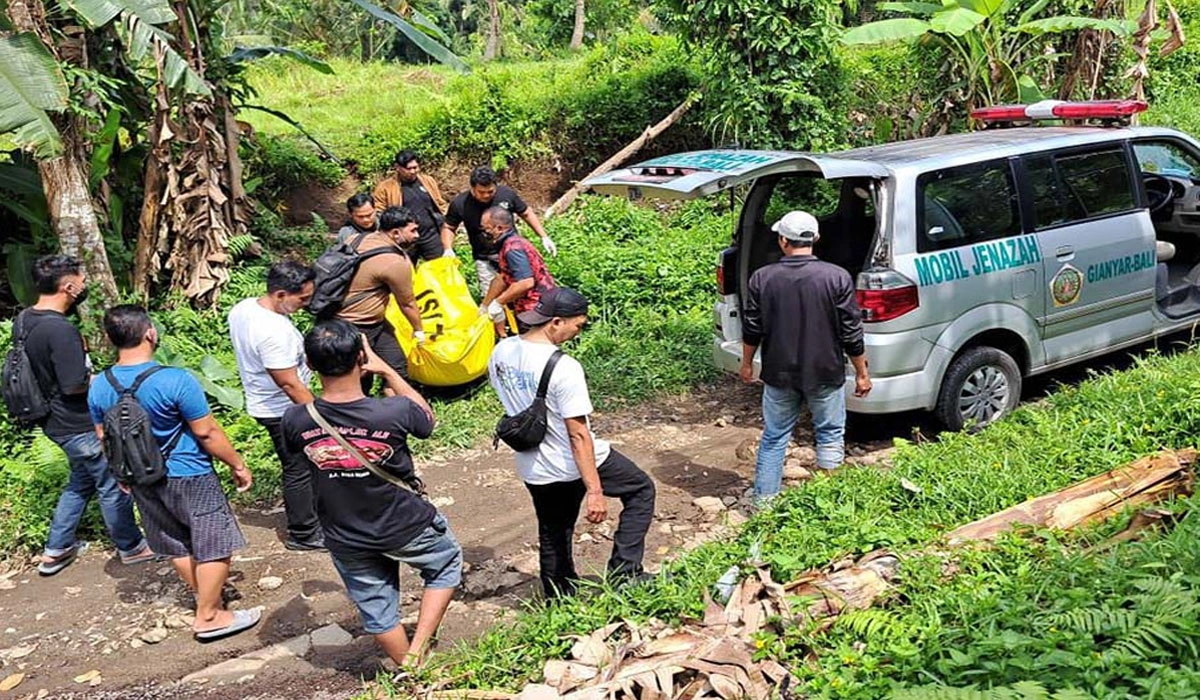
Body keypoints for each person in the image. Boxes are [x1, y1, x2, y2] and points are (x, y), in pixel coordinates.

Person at [282, 320, 461, 666]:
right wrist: (389, 372)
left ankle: (411, 668)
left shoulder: (295, 419)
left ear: (309, 364)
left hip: (345, 531)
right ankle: (418, 648)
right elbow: (427, 420)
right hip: (406, 524)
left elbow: (301, 466)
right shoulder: (393, 410)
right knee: (445, 564)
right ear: (361, 357)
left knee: (378, 610)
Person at [88, 305, 261, 641]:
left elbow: (102, 436)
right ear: (150, 333)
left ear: (110, 339)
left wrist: (122, 474)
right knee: (214, 541)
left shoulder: (99, 385)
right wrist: (237, 464)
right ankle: (209, 615)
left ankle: (206, 597)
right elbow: (207, 432)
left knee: (175, 541)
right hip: (189, 471)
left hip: (140, 476)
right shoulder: (175, 379)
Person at [488, 288, 655, 598]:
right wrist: (594, 490)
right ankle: (624, 573)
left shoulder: (502, 351)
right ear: (555, 322)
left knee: (554, 532)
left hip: (533, 465)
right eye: (577, 325)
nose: (578, 332)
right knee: (641, 489)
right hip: (570, 461)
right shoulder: (563, 367)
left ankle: (558, 597)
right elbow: (578, 436)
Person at [19, 255, 154, 576]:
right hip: (76, 422)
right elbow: (73, 384)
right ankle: (131, 546)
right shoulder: (60, 330)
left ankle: (57, 549)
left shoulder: (26, 319)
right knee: (111, 482)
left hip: (53, 420)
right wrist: (109, 380)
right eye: (81, 280)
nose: (85, 285)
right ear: (68, 286)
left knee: (81, 482)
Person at [738, 211, 872, 502]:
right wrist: (862, 372)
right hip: (825, 370)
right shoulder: (836, 277)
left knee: (774, 437)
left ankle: (764, 503)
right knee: (830, 433)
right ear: (816, 239)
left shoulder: (762, 277)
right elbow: (851, 330)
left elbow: (752, 327)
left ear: (783, 240)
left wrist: (746, 363)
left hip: (779, 373)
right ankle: (828, 503)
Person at [228, 261, 324, 551]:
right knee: (299, 467)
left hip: (265, 401)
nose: (307, 304)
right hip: (281, 408)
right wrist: (322, 416)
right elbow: (290, 384)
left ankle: (313, 516)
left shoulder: (245, 308)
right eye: (302, 299)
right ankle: (304, 533)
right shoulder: (272, 333)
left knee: (303, 464)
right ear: (281, 294)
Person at [337, 206, 427, 391]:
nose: (417, 235)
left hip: (363, 322)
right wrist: (419, 331)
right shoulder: (393, 262)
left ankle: (398, 412)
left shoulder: (356, 239)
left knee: (396, 368)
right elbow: (407, 303)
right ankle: (362, 414)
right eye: (412, 230)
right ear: (395, 233)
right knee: (360, 377)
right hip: (356, 325)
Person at [441, 166, 557, 293]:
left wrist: (543, 236)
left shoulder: (506, 194)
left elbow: (526, 213)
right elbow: (449, 227)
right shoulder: (460, 203)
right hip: (484, 258)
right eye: (481, 192)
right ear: (472, 188)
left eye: (490, 191)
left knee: (520, 291)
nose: (486, 195)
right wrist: (448, 249)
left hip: (511, 253)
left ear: (495, 186)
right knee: (490, 295)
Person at [478, 206, 557, 336]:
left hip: (536, 309)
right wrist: (485, 305)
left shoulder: (513, 249)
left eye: (486, 229)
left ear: (499, 228)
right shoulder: (509, 243)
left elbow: (525, 282)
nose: (484, 233)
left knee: (533, 347)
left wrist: (499, 302)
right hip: (531, 307)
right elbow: (502, 278)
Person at [373, 150, 448, 262]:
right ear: (398, 167)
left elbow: (440, 203)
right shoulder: (385, 188)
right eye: (409, 169)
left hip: (431, 235)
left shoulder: (428, 181)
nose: (413, 171)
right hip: (404, 239)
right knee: (405, 272)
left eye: (415, 167)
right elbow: (379, 212)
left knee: (441, 268)